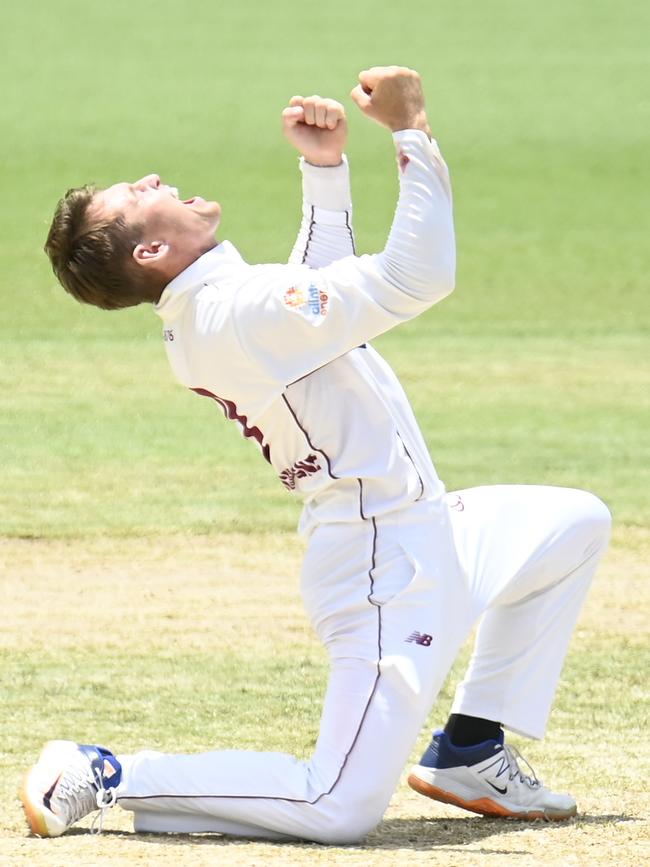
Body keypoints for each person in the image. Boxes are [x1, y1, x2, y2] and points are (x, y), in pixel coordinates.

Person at [21, 66, 611, 844]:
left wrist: (325, 171)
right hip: (385, 569)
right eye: (136, 194)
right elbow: (417, 276)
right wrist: (412, 129)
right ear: (154, 246)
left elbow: (310, 293)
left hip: (424, 526)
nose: (153, 177)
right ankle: (105, 772)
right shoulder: (233, 311)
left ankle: (470, 747)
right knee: (337, 806)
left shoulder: (220, 306)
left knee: (573, 522)